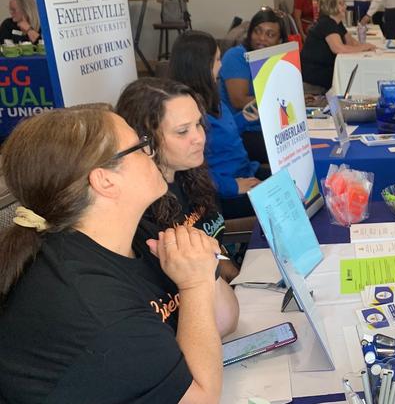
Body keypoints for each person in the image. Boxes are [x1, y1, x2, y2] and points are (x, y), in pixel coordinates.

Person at [0, 105, 238, 403]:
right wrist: (196, 285)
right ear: (105, 181)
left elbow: (225, 321)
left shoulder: (137, 234)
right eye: (139, 147)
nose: (151, 152)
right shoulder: (90, 304)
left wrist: (204, 270)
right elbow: (201, 398)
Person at [117, 77, 240, 282]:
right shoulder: (140, 211)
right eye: (182, 131)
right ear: (145, 140)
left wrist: (238, 278)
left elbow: (217, 248)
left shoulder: (191, 173)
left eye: (198, 124)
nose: (199, 137)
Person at [170, 31, 268, 219]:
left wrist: (242, 119)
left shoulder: (211, 95)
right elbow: (192, 173)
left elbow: (221, 136)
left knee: (292, 182)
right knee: (287, 198)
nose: (221, 66)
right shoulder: (187, 112)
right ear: (201, 66)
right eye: (216, 60)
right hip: (223, 191)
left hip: (244, 171)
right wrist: (234, 186)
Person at [219, 8, 288, 163]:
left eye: (270, 34)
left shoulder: (276, 58)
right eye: (257, 31)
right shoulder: (237, 56)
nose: (261, 38)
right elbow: (239, 101)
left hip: (270, 126)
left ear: (280, 41)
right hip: (242, 131)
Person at [301, 0, 376, 95]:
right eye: (341, 4)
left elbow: (351, 42)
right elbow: (338, 48)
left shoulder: (336, 22)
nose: (345, 7)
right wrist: (364, 47)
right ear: (331, 7)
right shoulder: (326, 23)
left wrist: (365, 46)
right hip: (315, 78)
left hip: (323, 72)